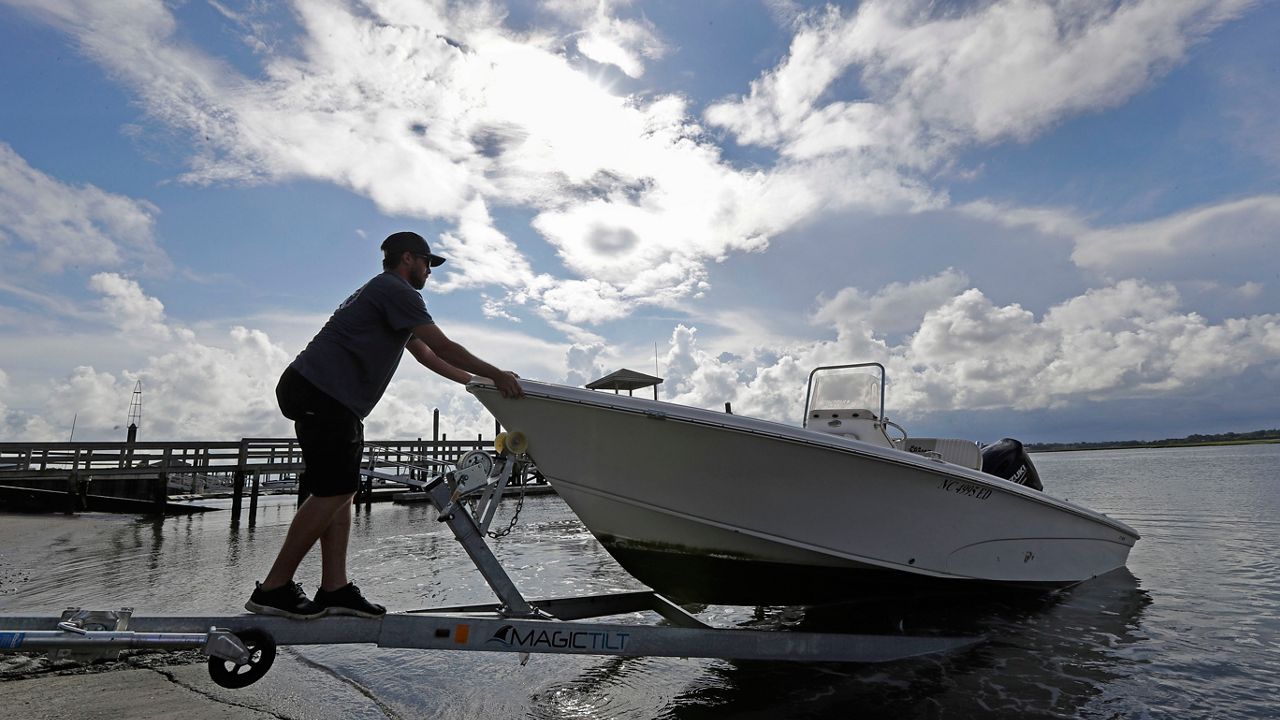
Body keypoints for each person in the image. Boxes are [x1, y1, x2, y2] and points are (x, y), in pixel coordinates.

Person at [246, 231, 524, 619]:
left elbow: (426, 354)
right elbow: (443, 346)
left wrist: (476, 384)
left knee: (340, 491)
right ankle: (273, 589)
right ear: (408, 258)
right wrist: (498, 374)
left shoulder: (386, 295)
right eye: (428, 262)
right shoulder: (396, 290)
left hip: (328, 398)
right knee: (332, 491)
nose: (430, 271)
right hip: (321, 393)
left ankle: (335, 589)